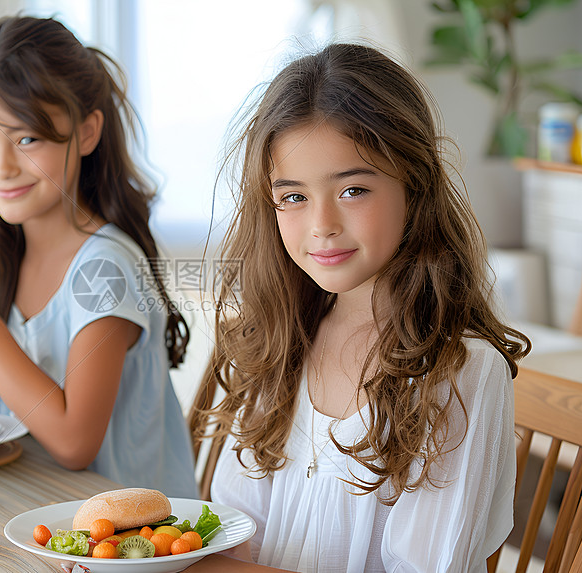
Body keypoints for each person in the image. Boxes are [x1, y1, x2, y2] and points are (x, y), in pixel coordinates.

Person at [187, 43, 531, 571]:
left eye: (352, 190)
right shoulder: (277, 341)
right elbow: (233, 535)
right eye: (294, 197)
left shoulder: (458, 371)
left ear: (414, 187)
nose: (321, 224)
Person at [0, 15, 197, 498]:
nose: (2, 166)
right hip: (40, 526)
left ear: (86, 133)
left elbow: (74, 442)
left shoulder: (104, 268)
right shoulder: (11, 255)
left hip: (129, 546)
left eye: (27, 139)